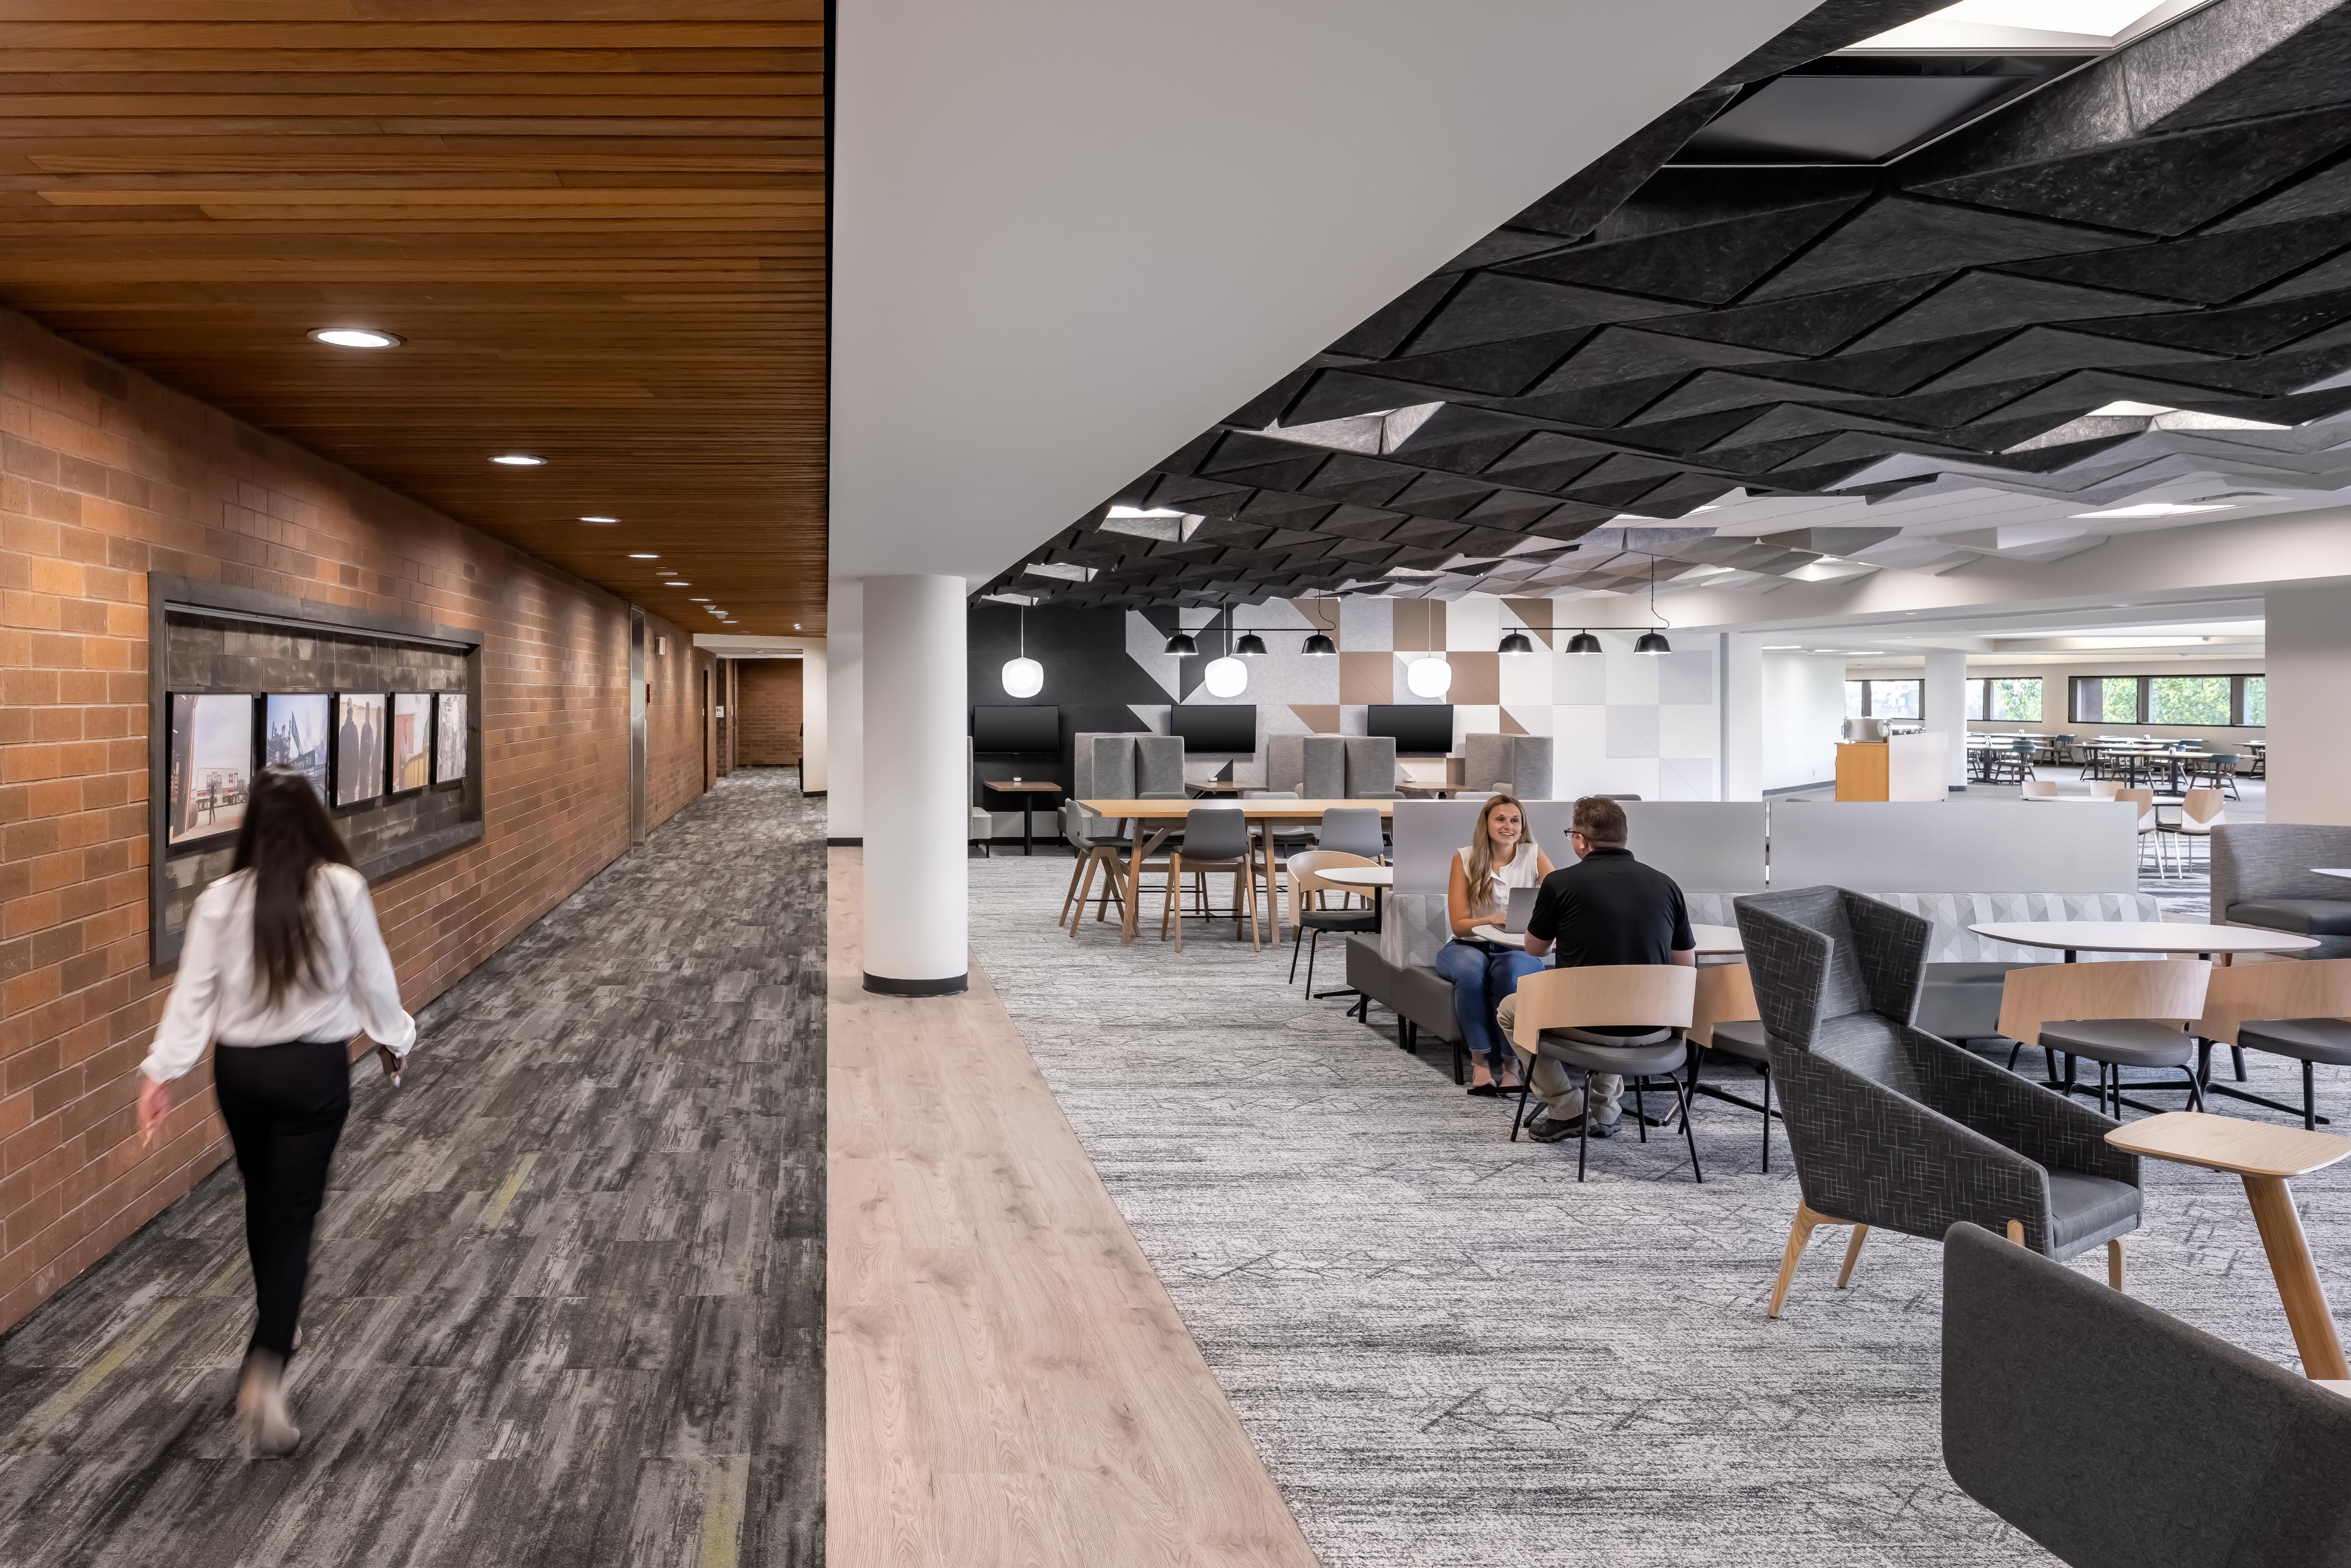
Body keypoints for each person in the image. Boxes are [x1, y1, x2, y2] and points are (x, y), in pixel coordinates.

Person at [136, 766, 415, 1457]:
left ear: (251, 824)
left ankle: (279, 1322)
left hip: (241, 1072)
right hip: (312, 1072)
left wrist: (162, 1071)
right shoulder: (340, 887)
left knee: (264, 1201)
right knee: (294, 1216)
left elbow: (192, 996)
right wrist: (396, 1036)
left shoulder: (219, 899)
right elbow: (371, 977)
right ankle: (267, 1364)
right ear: (315, 820)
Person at [1500, 795, 1694, 1142]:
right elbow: (1685, 966)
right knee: (1621, 1000)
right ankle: (1604, 1110)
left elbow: (1534, 948)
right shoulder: (1667, 885)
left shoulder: (1560, 884)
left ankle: (1566, 1107)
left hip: (1586, 1025)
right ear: (1624, 837)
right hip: (1653, 1027)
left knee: (1509, 1010)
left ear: (1581, 840)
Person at [1433, 794, 1554, 1096]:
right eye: (1500, 819)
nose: (1508, 826)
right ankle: (1480, 1063)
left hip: (1516, 947)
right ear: (1486, 823)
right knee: (1472, 973)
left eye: (1515, 820)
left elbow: (1558, 902)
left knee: (1511, 975)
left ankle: (1512, 1066)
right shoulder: (1465, 857)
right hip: (1467, 945)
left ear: (1522, 825)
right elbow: (1460, 923)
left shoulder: (1534, 855)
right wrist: (1491, 918)